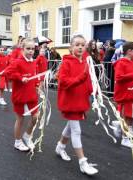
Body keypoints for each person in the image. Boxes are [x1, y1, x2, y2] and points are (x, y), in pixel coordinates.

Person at [55, 34, 98, 176]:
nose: (80, 47)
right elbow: (64, 83)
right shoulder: (66, 63)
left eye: (82, 44)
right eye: (77, 44)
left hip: (81, 100)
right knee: (76, 130)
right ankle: (82, 162)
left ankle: (60, 147)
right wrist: (81, 78)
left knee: (70, 127)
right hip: (70, 101)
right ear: (70, 48)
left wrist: (92, 91)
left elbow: (87, 79)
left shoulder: (85, 61)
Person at [3, 38, 39, 152]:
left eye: (33, 49)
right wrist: (20, 77)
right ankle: (17, 142)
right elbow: (8, 73)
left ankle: (27, 137)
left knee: (35, 117)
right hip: (20, 96)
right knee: (20, 119)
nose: (30, 51)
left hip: (32, 95)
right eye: (28, 48)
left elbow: (34, 75)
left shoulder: (33, 62)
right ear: (23, 49)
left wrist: (37, 84)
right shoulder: (17, 61)